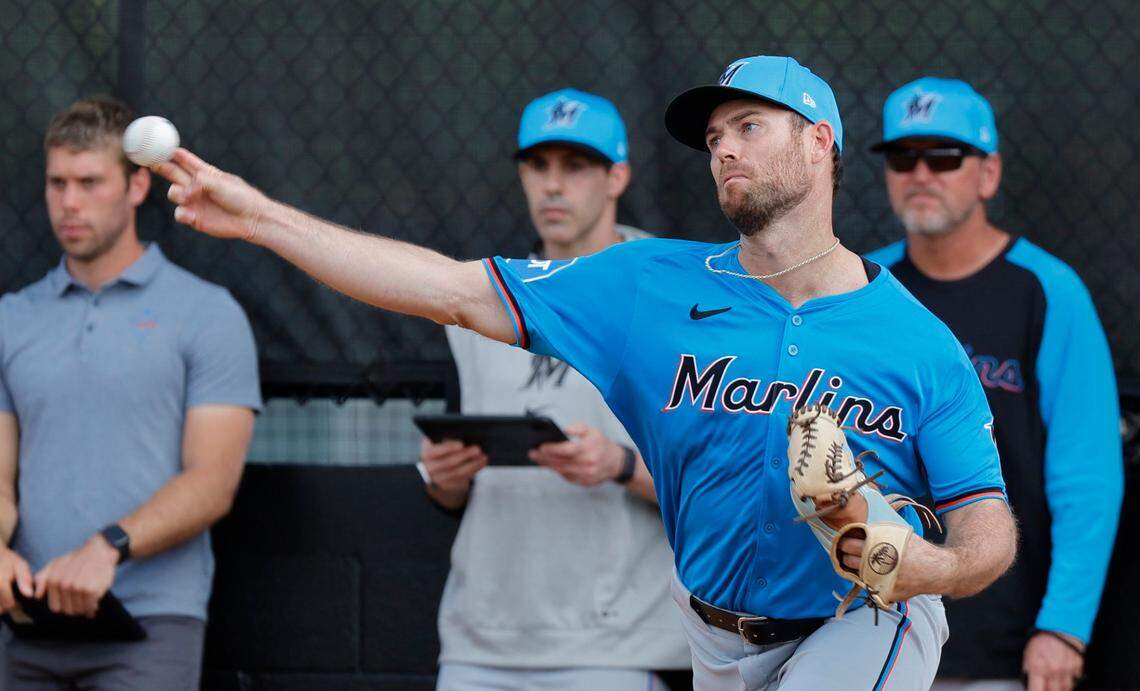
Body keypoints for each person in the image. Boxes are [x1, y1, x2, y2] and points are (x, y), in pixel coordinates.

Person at [150, 54, 1018, 690]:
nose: (725, 150)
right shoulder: (645, 284)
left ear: (820, 141)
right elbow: (449, 291)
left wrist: (920, 569)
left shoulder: (919, 342)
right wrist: (262, 219)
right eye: (715, 137)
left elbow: (989, 536)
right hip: (715, 640)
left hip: (864, 614)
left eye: (750, 126)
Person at [417, 88, 690, 690]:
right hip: (479, 641)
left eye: (575, 166)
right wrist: (444, 479)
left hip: (616, 647)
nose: (553, 186)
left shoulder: (678, 296)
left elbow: (724, 478)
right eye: (538, 167)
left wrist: (619, 464)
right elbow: (452, 495)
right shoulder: (482, 297)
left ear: (616, 176)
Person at [865, 77, 1123, 691]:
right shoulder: (863, 287)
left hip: (1004, 643)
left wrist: (1063, 626)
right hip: (871, 627)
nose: (920, 172)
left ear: (988, 173)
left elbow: (1086, 478)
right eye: (903, 157)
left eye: (945, 157)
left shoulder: (1047, 290)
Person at [0, 96, 261, 689]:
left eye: (90, 182)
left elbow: (213, 483)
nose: (69, 202)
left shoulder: (207, 314)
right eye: (57, 183)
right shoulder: (11, 319)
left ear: (137, 186)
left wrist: (106, 549)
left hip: (152, 622)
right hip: (25, 620)